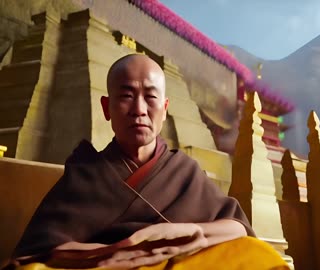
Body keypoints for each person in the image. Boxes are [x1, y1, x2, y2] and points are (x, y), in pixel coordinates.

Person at [8, 54, 288, 270]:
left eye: (150, 97)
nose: (139, 110)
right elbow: (37, 251)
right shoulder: (85, 176)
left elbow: (237, 227)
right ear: (107, 108)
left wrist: (192, 232)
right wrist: (121, 253)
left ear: (165, 109)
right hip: (103, 266)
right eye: (127, 96)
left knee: (258, 256)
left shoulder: (184, 172)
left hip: (175, 263)